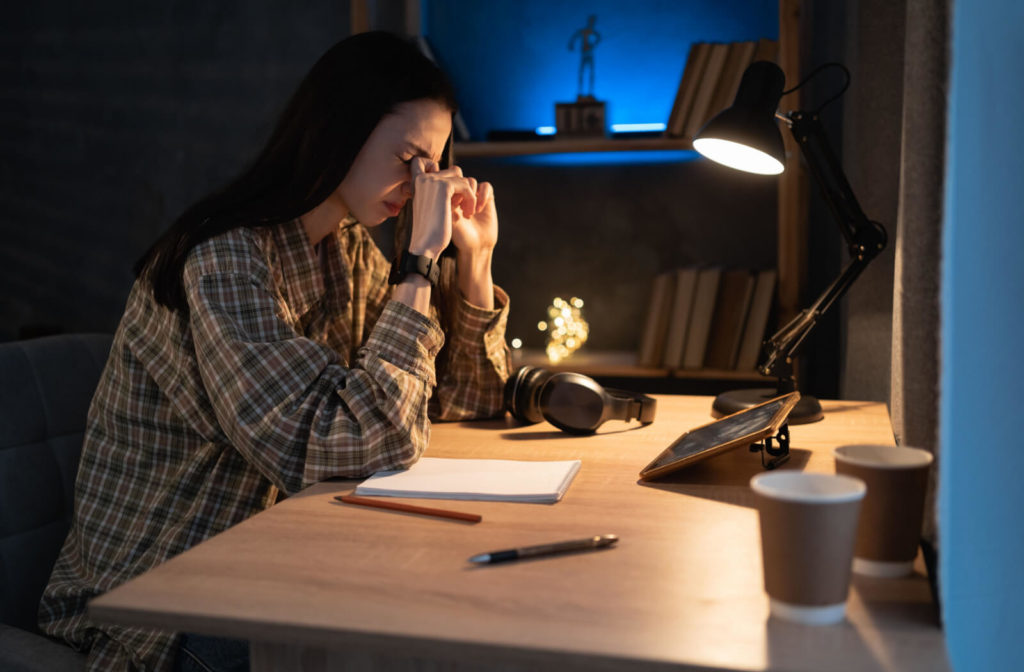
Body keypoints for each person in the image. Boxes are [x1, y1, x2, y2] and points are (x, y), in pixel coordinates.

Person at [38, 31, 510, 672]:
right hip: (163, 599)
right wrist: (418, 264)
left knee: (462, 614)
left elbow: (461, 402)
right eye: (409, 159)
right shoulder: (225, 257)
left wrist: (473, 259)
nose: (421, 183)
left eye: (432, 164)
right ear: (338, 131)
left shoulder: (343, 249)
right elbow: (340, 443)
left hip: (270, 564)